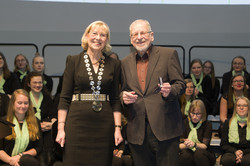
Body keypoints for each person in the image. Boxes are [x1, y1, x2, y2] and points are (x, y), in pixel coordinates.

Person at [56, 20, 123, 166]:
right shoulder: (73, 61)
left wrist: (117, 129)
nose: (98, 38)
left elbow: (116, 100)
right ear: (86, 36)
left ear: (106, 40)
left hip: (104, 126)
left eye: (103, 35)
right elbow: (64, 97)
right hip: (77, 123)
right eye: (94, 33)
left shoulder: (114, 64)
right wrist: (61, 128)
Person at [121, 19, 185, 166]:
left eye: (143, 32)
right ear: (131, 39)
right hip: (137, 132)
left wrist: (170, 91)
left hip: (165, 129)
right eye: (135, 34)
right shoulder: (124, 63)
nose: (139, 37)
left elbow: (180, 85)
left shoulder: (168, 54)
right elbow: (122, 91)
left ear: (152, 36)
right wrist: (123, 97)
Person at [0, 89, 42, 166]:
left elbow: (38, 148)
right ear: (12, 103)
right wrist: (12, 161)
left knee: (27, 161)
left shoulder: (35, 121)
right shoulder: (3, 122)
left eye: (26, 103)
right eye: (19, 103)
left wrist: (20, 156)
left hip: (26, 161)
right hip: (6, 162)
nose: (23, 106)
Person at [24, 71, 57, 165]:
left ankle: (47, 162)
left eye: (40, 82)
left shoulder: (47, 98)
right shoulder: (24, 98)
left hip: (45, 129)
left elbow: (54, 116)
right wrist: (37, 125)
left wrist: (51, 125)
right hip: (29, 129)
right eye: (35, 82)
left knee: (49, 137)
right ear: (28, 84)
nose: (38, 85)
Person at [179, 99, 216, 166]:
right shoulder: (184, 123)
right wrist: (187, 144)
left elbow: (205, 146)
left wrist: (194, 144)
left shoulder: (207, 124)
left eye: (198, 114)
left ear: (203, 113)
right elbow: (179, 146)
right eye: (193, 113)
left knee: (198, 154)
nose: (195, 117)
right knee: (185, 154)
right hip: (187, 150)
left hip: (204, 154)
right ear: (189, 112)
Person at [220, 96, 250, 166]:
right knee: (227, 160)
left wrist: (242, 152)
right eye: (239, 105)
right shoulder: (228, 122)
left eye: (244, 106)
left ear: (248, 108)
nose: (241, 108)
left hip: (248, 152)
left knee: (247, 161)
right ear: (235, 108)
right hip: (231, 151)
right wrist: (235, 151)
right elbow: (223, 144)